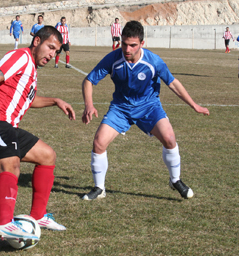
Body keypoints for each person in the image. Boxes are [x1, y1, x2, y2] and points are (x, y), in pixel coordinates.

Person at [81, 21, 210, 201]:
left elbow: (172, 83)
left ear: (142, 43)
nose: (127, 49)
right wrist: (89, 104)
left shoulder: (153, 61)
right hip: (121, 109)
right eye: (124, 43)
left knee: (170, 139)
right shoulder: (113, 58)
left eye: (133, 45)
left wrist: (194, 105)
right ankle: (99, 188)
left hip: (149, 107)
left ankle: (175, 180)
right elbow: (88, 81)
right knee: (99, 143)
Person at [0, 26, 75, 243]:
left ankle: (38, 216)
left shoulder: (32, 69)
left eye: (56, 52)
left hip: (8, 126)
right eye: (50, 47)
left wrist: (55, 101)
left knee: (47, 155)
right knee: (11, 166)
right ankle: (4, 224)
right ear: (36, 41)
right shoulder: (21, 56)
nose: (52, 54)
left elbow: (28, 100)